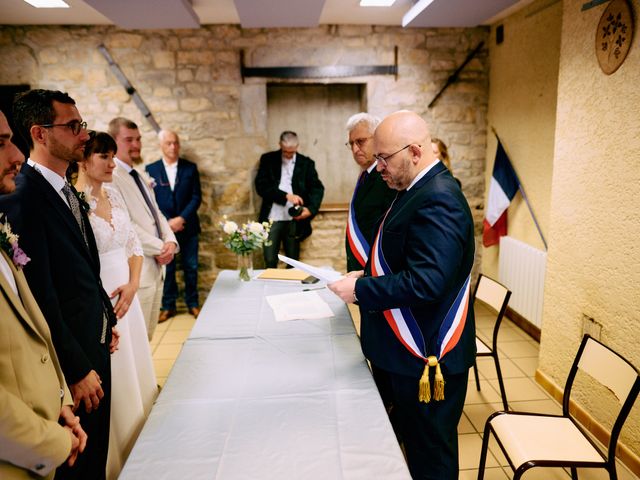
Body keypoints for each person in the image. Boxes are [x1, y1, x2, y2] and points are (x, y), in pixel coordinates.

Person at [329, 111, 476, 480]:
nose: (378, 167)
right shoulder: (412, 189)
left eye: (383, 157)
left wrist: (362, 290)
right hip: (402, 354)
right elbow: (408, 257)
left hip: (426, 355)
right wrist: (368, 273)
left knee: (430, 458)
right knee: (408, 446)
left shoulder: (439, 196)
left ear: (413, 151)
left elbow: (428, 281)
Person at [0, 90, 119, 480]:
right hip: (72, 361)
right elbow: (40, 293)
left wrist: (106, 315)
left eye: (81, 124)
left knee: (96, 452)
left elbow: (84, 265)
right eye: (72, 126)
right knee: (79, 464)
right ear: (40, 133)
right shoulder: (24, 195)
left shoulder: (67, 189)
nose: (83, 135)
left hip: (93, 340)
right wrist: (75, 366)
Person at [0, 109, 87, 479]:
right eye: (0, 144)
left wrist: (59, 400)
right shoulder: (25, 198)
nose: (17, 155)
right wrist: (55, 441)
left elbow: (30, 325)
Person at [73, 132, 157, 479]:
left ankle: (146, 440)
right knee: (116, 374)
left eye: (112, 156)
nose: (111, 163)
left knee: (138, 366)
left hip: (128, 295)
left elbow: (134, 245)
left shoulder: (115, 196)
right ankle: (119, 454)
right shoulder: (75, 203)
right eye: (103, 157)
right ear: (83, 160)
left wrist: (134, 284)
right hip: (102, 297)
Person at [108, 117, 177, 340]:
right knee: (138, 338)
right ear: (113, 141)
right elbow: (126, 224)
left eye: (138, 139)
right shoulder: (112, 177)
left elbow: (157, 213)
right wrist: (160, 247)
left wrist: (171, 242)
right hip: (138, 268)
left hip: (157, 266)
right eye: (129, 140)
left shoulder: (139, 174)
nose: (136, 145)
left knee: (149, 334)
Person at [146, 130, 202, 322]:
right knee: (167, 269)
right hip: (163, 229)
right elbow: (150, 201)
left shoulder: (190, 168)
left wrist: (181, 219)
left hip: (188, 227)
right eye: (169, 143)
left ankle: (193, 304)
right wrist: (167, 224)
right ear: (161, 145)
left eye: (176, 143)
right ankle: (167, 306)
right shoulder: (150, 169)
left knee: (191, 266)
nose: (173, 147)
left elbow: (196, 197)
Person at [255, 131, 324, 268]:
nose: (288, 155)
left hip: (294, 219)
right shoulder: (268, 159)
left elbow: (317, 189)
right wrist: (286, 196)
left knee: (293, 261)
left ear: (297, 146)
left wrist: (310, 210)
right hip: (272, 217)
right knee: (269, 259)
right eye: (286, 151)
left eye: (292, 152)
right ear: (280, 145)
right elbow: (261, 187)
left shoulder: (306, 163)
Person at [344, 113, 396, 272]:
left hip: (376, 266)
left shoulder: (387, 177)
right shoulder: (365, 175)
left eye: (360, 141)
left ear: (377, 138)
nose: (354, 149)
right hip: (360, 266)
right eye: (351, 143)